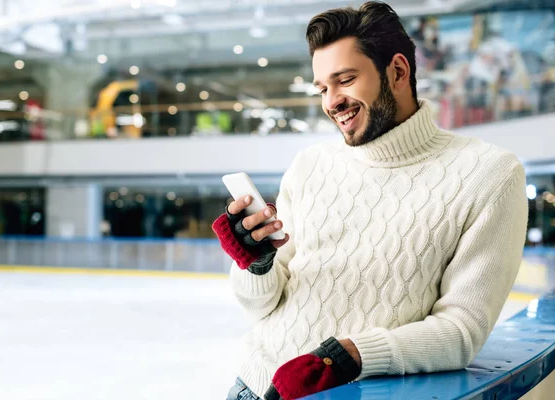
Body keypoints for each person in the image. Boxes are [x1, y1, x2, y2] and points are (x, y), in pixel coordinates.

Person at [212, 2, 529, 400]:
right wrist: (256, 265)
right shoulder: (310, 165)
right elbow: (261, 308)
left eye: (344, 80)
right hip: (253, 387)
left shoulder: (490, 174)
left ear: (398, 71)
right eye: (323, 88)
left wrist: (346, 358)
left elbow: (462, 330)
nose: (331, 102)